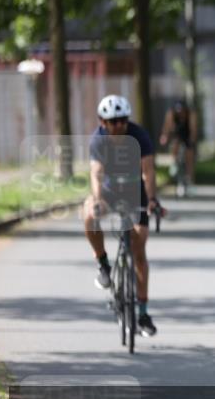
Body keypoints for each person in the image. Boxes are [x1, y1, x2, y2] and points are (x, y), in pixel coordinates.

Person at [83, 95, 164, 336]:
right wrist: (97, 200)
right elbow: (96, 173)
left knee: (139, 251)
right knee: (88, 213)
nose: (119, 125)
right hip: (109, 191)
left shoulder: (139, 136)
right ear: (102, 122)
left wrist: (151, 200)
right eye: (113, 121)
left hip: (134, 192)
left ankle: (143, 313)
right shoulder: (98, 140)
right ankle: (103, 264)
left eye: (123, 120)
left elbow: (148, 172)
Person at [159, 100, 198, 187]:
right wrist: (164, 136)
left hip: (187, 132)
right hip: (177, 133)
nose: (181, 114)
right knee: (175, 144)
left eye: (182, 111)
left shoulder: (191, 114)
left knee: (189, 153)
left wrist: (191, 141)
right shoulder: (171, 113)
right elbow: (166, 127)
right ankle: (174, 163)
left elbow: (193, 129)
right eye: (178, 112)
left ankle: (189, 177)